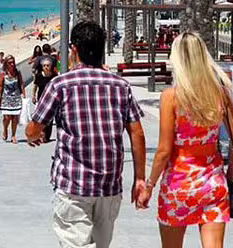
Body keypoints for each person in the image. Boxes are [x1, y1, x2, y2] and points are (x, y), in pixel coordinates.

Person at [26, 22, 147, 248]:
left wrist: (34, 136)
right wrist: (140, 178)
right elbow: (137, 133)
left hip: (74, 185)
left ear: (74, 50)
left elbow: (33, 128)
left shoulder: (60, 85)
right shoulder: (120, 86)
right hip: (109, 185)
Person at [137, 32, 233, 248]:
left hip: (178, 184)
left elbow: (164, 150)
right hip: (213, 183)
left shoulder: (171, 97)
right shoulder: (221, 93)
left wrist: (149, 185)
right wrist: (229, 178)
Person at [0, 55, 24, 144]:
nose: (12, 64)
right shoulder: (3, 74)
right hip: (6, 99)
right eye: (10, 63)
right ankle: (5, 129)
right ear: (6, 64)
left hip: (16, 99)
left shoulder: (17, 72)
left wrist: (23, 94)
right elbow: (0, 87)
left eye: (13, 62)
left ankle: (13, 136)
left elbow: (21, 84)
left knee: (15, 118)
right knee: (7, 118)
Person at [32, 57, 57, 142]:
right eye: (45, 65)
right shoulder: (39, 76)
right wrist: (33, 96)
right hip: (41, 99)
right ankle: (41, 134)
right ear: (42, 67)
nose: (46, 67)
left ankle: (47, 136)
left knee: (49, 118)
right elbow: (35, 86)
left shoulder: (54, 76)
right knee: (41, 118)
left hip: (51, 100)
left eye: (48, 65)